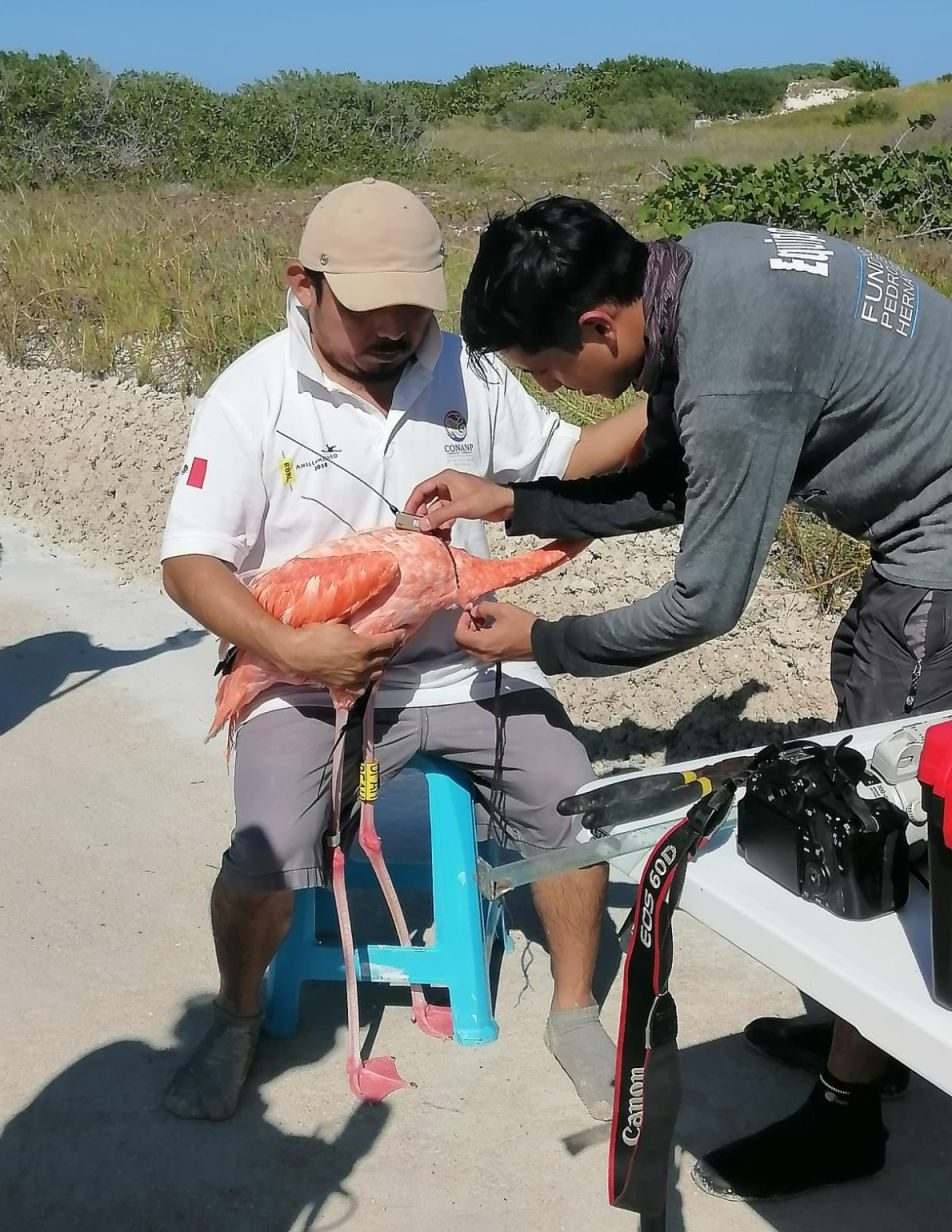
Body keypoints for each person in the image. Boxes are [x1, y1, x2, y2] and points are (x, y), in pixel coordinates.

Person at [404, 195, 952, 1202]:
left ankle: (852, 1106)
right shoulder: (701, 267)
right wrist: (515, 500)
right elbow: (681, 474)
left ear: (599, 326)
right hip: (917, 521)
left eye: (550, 370)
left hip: (940, 548)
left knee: (886, 816)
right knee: (876, 776)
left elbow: (705, 602)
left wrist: (548, 642)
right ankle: (854, 1025)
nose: (560, 394)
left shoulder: (736, 376)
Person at [158, 180, 649, 1123]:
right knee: (268, 848)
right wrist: (296, 646)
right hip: (302, 673)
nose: (398, 331)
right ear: (304, 284)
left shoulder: (472, 371)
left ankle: (577, 1012)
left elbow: (573, 462)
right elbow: (190, 564)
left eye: (413, 311)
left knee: (571, 799)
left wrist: (678, 405)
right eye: (373, 311)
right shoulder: (251, 392)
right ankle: (235, 1015)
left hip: (461, 662)